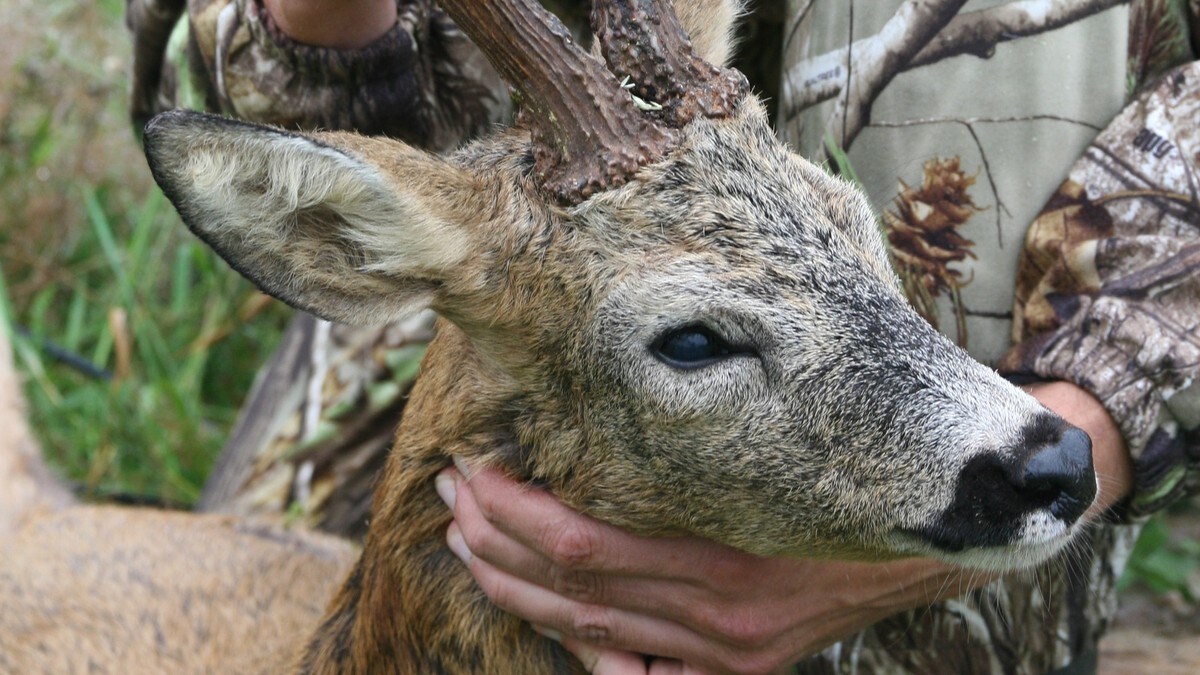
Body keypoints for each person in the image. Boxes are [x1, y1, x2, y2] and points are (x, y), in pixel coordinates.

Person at [127, 1, 1200, 672]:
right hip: (532, 302)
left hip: (1068, 333)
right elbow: (199, 82)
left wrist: (1099, 407)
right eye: (701, 341)